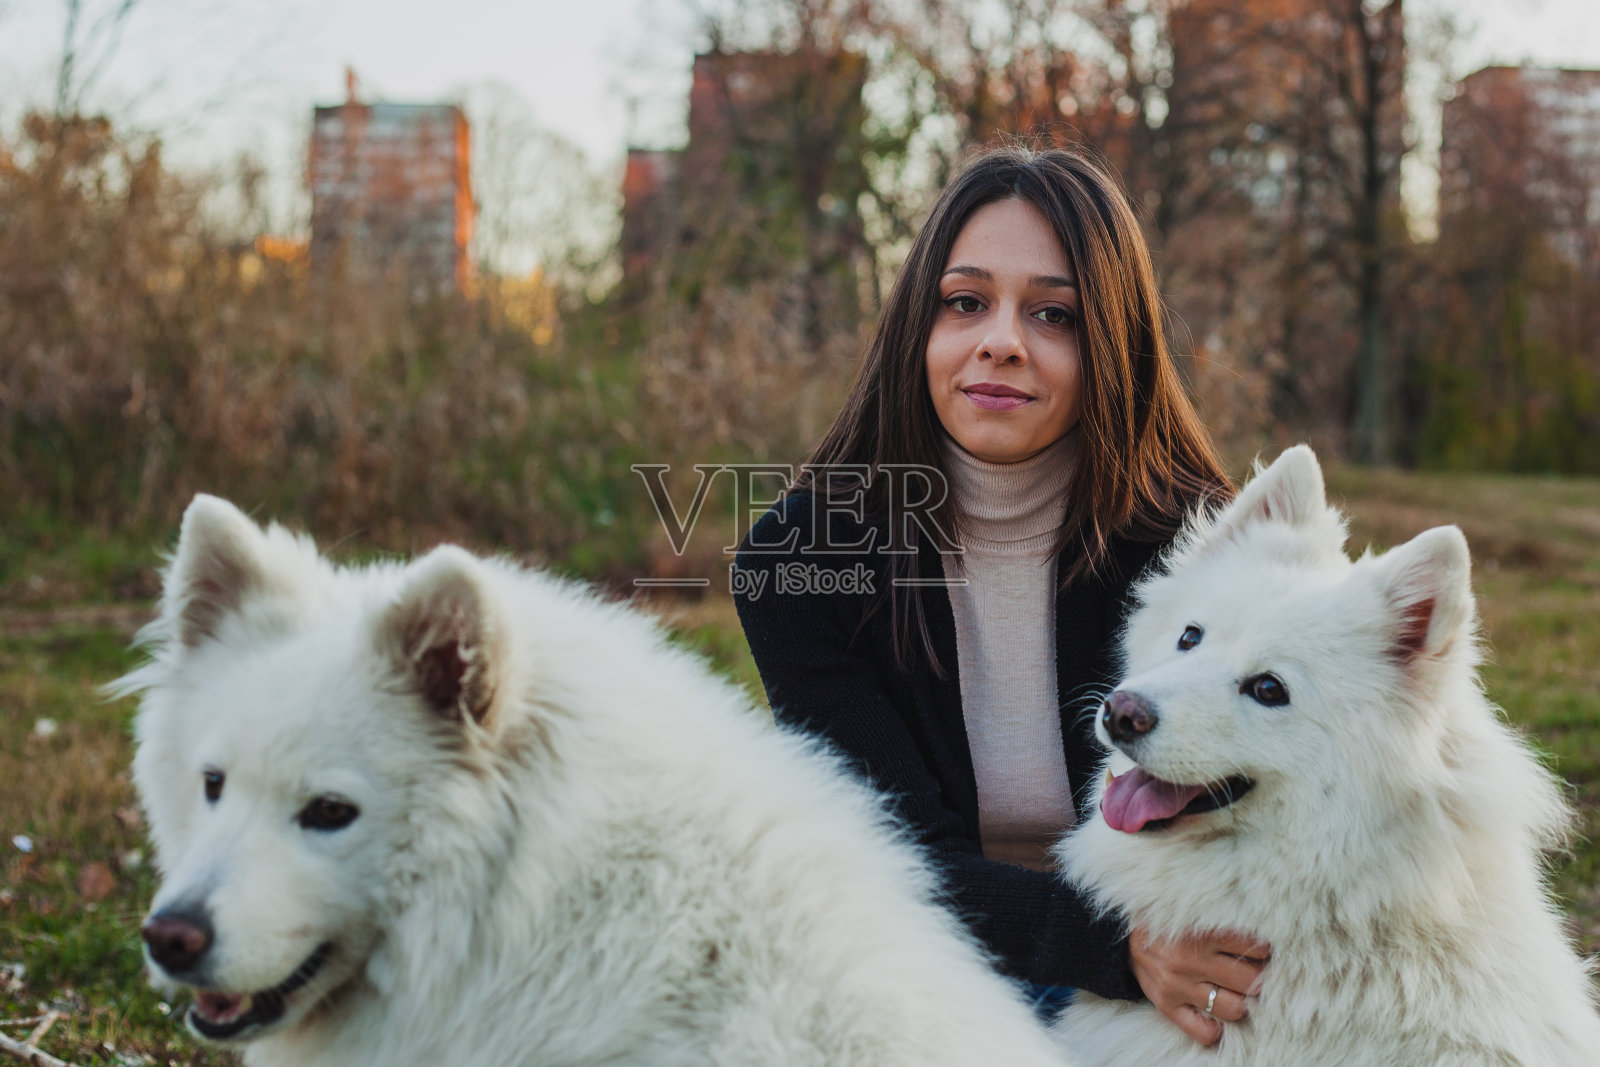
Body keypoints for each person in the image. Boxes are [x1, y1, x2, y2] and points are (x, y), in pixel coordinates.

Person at [732, 144, 1269, 1046]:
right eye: (966, 302)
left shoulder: (1202, 550)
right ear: (919, 327)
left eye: (1053, 314)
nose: (1002, 341)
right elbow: (882, 857)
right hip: (918, 954)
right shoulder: (799, 560)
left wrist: (1176, 945)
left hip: (1185, 951)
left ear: (1112, 346)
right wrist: (1117, 947)